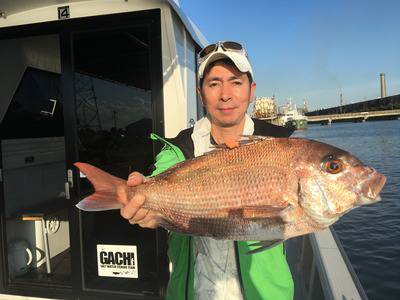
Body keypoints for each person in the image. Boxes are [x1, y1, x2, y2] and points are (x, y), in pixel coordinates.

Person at [119, 41, 294, 300]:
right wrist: (146, 205)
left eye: (236, 82)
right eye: (214, 83)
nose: (226, 94)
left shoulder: (280, 146)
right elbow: (159, 183)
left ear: (251, 90)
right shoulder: (178, 150)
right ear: (200, 93)